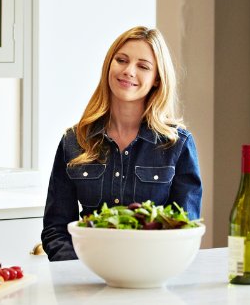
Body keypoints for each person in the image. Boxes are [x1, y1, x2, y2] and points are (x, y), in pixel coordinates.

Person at [41, 26, 203, 261]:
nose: (128, 71)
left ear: (157, 79)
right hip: (87, 281)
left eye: (143, 66)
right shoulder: (74, 141)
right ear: (109, 65)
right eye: (121, 60)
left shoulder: (177, 145)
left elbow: (184, 232)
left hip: (151, 279)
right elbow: (56, 230)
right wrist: (80, 274)